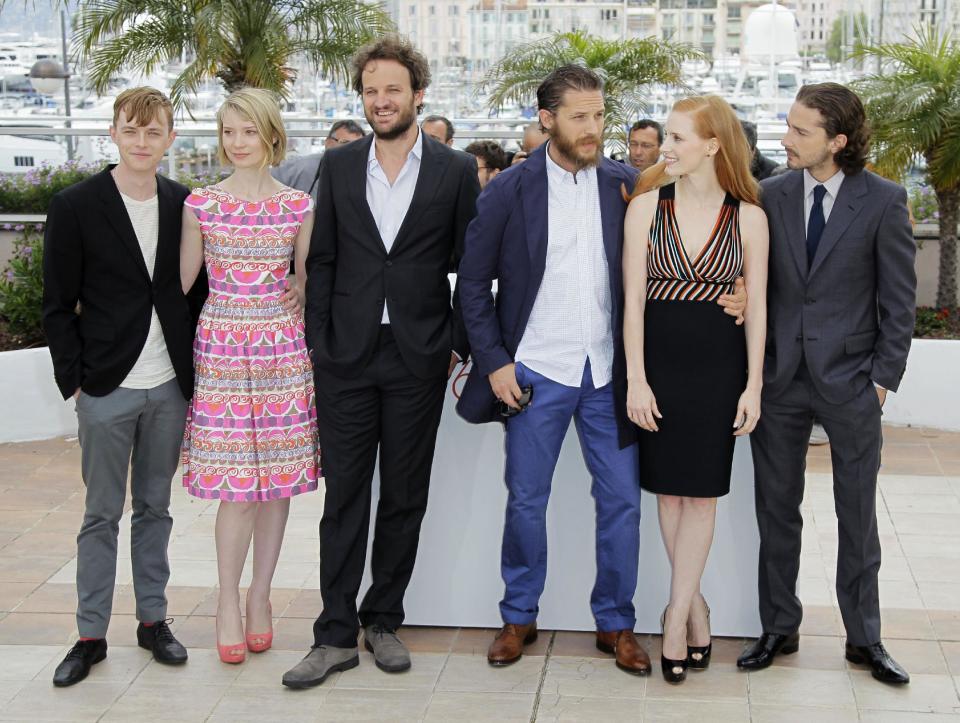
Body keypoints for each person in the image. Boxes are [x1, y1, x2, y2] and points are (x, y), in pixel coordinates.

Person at [456, 67, 749, 677]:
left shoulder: (627, 184)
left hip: (608, 375)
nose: (594, 129)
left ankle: (616, 623)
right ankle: (518, 616)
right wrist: (496, 363)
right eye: (580, 117)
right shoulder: (508, 190)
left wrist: (742, 285)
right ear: (547, 120)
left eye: (599, 116)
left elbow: (712, 209)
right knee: (526, 501)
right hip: (535, 373)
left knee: (621, 503)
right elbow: (473, 288)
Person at [281, 35, 480, 689]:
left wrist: (452, 339)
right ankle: (334, 631)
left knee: (403, 495)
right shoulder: (338, 169)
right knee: (344, 497)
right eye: (370, 90)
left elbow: (468, 266)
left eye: (392, 89)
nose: (380, 100)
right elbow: (323, 259)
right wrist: (320, 340)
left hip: (416, 357)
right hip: (346, 354)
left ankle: (383, 617)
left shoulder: (453, 170)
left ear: (417, 93)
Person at [737, 83, 916, 685]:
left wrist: (881, 383)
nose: (784, 140)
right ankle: (778, 628)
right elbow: (754, 283)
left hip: (853, 384)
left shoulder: (886, 201)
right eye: (787, 127)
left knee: (857, 517)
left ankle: (865, 638)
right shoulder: (768, 195)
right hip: (781, 381)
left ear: (837, 141)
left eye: (800, 131)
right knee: (776, 512)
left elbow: (899, 302)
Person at [41, 87, 193, 686]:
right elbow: (57, 304)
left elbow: (196, 293)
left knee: (156, 508)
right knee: (101, 513)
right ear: (113, 133)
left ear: (170, 140)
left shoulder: (185, 203)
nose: (141, 142)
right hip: (106, 385)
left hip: (168, 387)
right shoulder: (76, 204)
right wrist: (76, 382)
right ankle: (89, 634)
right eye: (131, 131)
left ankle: (153, 621)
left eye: (153, 133)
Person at [623, 96, 769, 684]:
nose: (667, 149)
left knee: (702, 495)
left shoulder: (750, 217)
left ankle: (676, 613)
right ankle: (698, 606)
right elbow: (632, 303)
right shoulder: (645, 208)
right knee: (668, 492)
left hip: (719, 369)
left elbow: (756, 309)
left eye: (679, 138)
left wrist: (753, 385)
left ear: (712, 145)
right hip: (657, 364)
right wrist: (636, 376)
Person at [180, 87, 319, 665]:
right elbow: (179, 286)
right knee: (237, 491)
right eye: (228, 132)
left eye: (247, 131)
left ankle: (262, 595)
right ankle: (228, 602)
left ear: (270, 135)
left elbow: (306, 281)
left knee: (278, 487)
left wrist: (302, 287)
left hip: (283, 353)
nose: (237, 143)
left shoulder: (297, 207)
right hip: (222, 353)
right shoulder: (201, 205)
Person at [271, 119, 366, 201]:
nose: (350, 151)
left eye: (357, 146)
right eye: (345, 143)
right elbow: (265, 182)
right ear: (327, 142)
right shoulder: (301, 167)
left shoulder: (364, 178)